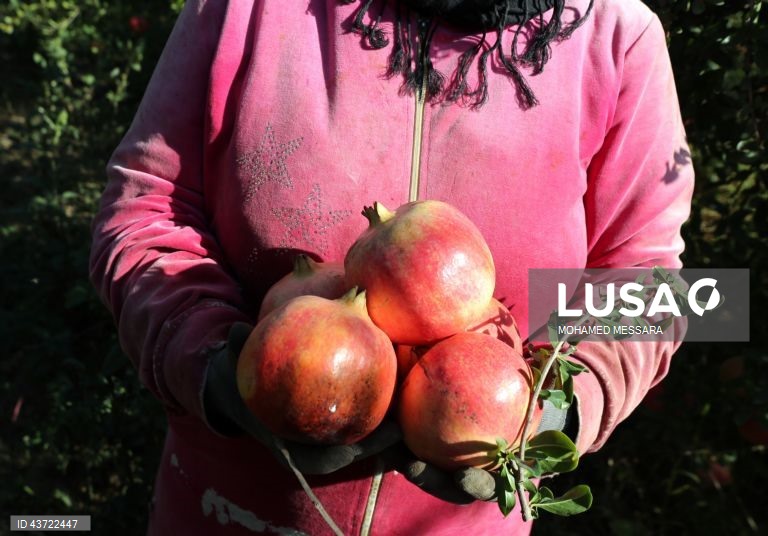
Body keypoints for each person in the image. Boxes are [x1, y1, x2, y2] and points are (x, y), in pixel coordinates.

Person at [89, 0, 694, 534]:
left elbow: (656, 281)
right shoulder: (247, 9)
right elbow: (145, 206)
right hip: (226, 511)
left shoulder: (621, 38)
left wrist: (560, 409)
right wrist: (211, 363)